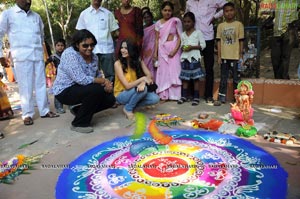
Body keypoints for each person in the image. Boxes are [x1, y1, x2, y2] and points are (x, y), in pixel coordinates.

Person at [0, 0, 59, 126]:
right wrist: (1, 56)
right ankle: (27, 114)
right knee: (25, 86)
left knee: (41, 84)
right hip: (21, 57)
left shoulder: (36, 17)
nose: (28, 1)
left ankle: (44, 110)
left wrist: (44, 55)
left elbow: (41, 37)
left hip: (37, 56)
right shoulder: (8, 14)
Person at [52, 29, 115, 133]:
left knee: (110, 99)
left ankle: (78, 111)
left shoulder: (94, 57)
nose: (89, 48)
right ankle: (79, 123)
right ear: (77, 45)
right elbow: (81, 79)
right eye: (85, 46)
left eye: (92, 45)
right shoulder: (69, 54)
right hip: (64, 91)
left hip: (82, 89)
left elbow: (97, 74)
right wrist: (103, 81)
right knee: (96, 89)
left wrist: (107, 85)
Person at [186, 0, 227, 103]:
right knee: (192, 65)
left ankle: (208, 95)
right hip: (193, 38)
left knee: (209, 67)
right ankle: (191, 94)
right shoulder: (189, 2)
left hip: (207, 36)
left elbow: (226, 5)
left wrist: (215, 17)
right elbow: (187, 16)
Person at [114, 39, 160, 120]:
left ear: (132, 50)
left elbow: (149, 75)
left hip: (135, 91)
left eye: (126, 48)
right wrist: (142, 79)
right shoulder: (117, 64)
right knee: (143, 89)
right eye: (122, 48)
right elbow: (127, 86)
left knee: (155, 98)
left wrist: (143, 83)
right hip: (121, 94)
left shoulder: (138, 60)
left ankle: (131, 103)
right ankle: (128, 109)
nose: (123, 50)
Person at [76, 0, 119, 82]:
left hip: (107, 49)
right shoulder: (84, 14)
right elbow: (80, 33)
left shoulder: (108, 14)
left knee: (110, 74)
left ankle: (110, 93)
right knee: (91, 74)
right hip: (90, 50)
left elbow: (114, 31)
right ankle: (95, 93)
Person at [213, 2, 244, 106]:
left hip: (235, 57)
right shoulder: (220, 26)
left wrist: (240, 55)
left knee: (236, 78)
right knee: (223, 78)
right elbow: (219, 42)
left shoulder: (239, 25)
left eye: (231, 10)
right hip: (224, 57)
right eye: (226, 11)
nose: (229, 13)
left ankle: (238, 98)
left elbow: (241, 41)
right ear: (223, 13)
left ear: (234, 11)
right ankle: (221, 97)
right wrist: (219, 56)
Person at [153, 1, 182, 101]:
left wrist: (175, 50)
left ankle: (175, 96)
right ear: (161, 11)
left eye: (169, 10)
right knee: (163, 72)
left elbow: (179, 37)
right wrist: (155, 53)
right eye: (165, 10)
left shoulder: (176, 21)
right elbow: (157, 39)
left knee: (175, 71)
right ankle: (164, 95)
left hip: (174, 50)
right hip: (162, 50)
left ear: (172, 11)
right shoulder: (157, 24)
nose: (167, 12)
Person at [178, 12, 206, 106]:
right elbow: (181, 46)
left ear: (193, 22)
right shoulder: (182, 34)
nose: (186, 23)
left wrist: (192, 47)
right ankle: (184, 96)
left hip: (195, 58)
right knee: (185, 78)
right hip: (185, 58)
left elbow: (203, 45)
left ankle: (196, 97)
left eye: (189, 21)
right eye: (185, 22)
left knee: (195, 79)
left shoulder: (198, 33)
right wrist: (183, 48)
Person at [270, 0, 299, 79]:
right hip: (276, 33)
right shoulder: (275, 2)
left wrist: (296, 24)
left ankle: (284, 80)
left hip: (289, 31)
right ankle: (279, 79)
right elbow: (273, 16)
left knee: (285, 57)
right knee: (275, 58)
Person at [46, 39, 66, 114]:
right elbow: (46, 62)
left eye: (62, 45)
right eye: (58, 45)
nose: (60, 47)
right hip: (59, 76)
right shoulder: (53, 57)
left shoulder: (67, 55)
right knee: (58, 90)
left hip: (68, 75)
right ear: (55, 46)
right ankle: (58, 107)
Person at [142, 10, 157, 81]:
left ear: (151, 17)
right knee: (145, 67)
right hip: (145, 52)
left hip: (154, 50)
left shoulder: (156, 26)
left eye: (148, 17)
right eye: (145, 17)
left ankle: (154, 84)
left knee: (153, 67)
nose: (147, 19)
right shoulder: (142, 29)